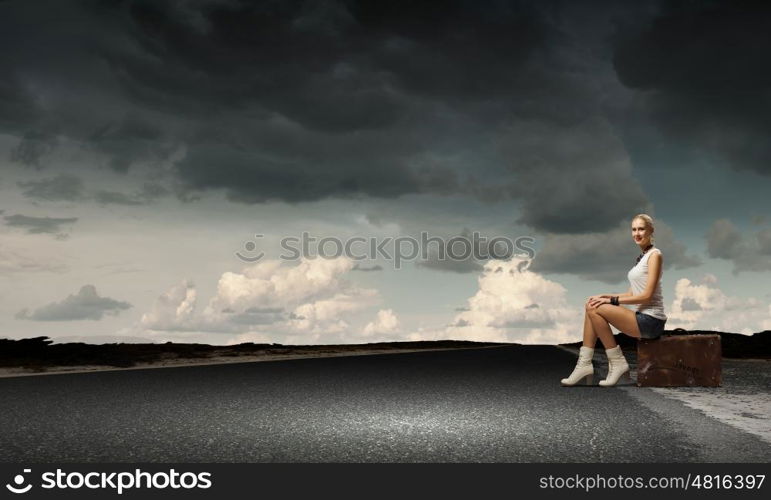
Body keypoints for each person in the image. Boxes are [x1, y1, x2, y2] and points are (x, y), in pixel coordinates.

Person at [561, 213, 667, 387]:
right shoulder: (642, 258)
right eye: (634, 229)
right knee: (593, 304)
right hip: (641, 318)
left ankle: (616, 363)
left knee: (594, 308)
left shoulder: (655, 255)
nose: (637, 233)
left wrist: (612, 301)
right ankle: (584, 365)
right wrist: (605, 296)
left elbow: (646, 296)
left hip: (651, 321)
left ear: (651, 230)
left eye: (641, 229)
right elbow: (631, 293)